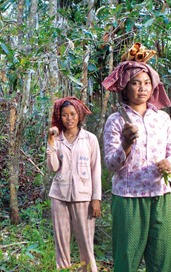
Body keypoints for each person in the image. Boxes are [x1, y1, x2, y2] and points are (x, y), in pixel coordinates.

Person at [102, 43, 171, 272]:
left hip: (161, 196)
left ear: (153, 87)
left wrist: (170, 164)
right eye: (135, 83)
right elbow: (112, 165)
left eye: (146, 83)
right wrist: (125, 144)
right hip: (128, 198)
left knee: (163, 258)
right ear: (125, 88)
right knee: (126, 259)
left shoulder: (163, 119)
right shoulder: (116, 121)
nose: (142, 88)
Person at [46, 97, 102, 272]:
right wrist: (51, 142)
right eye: (64, 115)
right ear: (59, 117)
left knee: (85, 243)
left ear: (79, 115)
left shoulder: (90, 139)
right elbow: (53, 167)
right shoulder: (57, 139)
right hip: (59, 196)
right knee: (62, 243)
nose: (69, 118)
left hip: (83, 197)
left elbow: (96, 170)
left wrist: (96, 199)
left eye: (72, 114)